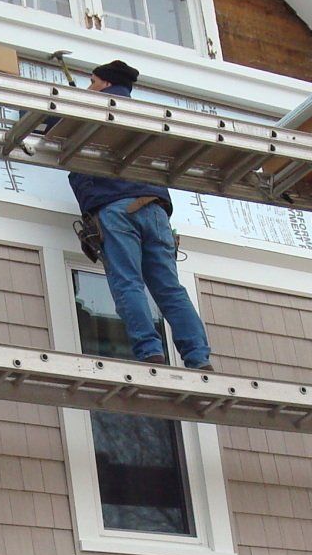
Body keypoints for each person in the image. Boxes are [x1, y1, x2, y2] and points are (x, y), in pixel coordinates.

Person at [65, 59, 212, 369]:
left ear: (104, 83)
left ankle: (150, 352)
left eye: (91, 82)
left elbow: (47, 123)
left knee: (127, 282)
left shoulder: (90, 109)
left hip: (116, 208)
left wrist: (57, 104)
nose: (88, 88)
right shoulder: (146, 115)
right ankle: (198, 358)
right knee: (169, 287)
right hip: (155, 208)